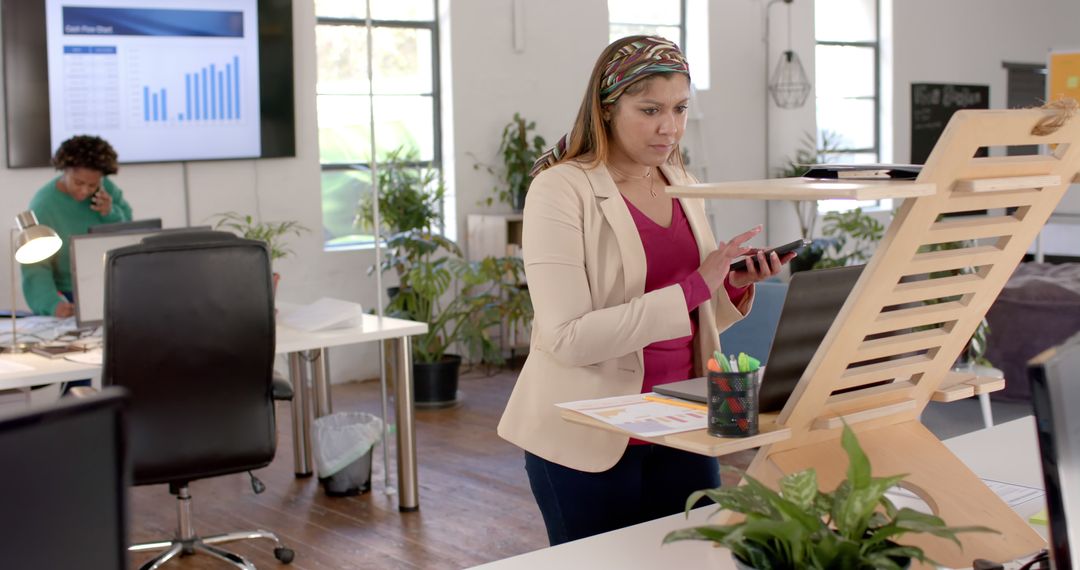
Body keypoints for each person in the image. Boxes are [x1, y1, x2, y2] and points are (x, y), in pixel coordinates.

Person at [496, 35, 796, 546]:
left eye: (679, 108)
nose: (669, 126)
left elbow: (691, 313)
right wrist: (696, 286)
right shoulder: (560, 189)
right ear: (607, 109)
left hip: (683, 422)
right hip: (589, 434)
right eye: (650, 109)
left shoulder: (680, 178)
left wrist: (728, 286)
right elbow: (568, 337)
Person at [22, 135, 132, 318]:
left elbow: (130, 231)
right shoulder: (43, 206)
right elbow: (35, 267)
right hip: (68, 294)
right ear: (64, 170)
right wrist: (51, 304)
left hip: (111, 286)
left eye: (92, 185)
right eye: (78, 182)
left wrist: (110, 212)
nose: (85, 191)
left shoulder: (106, 189)